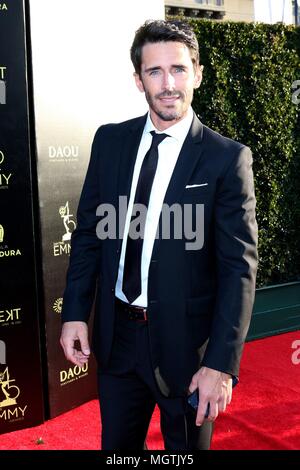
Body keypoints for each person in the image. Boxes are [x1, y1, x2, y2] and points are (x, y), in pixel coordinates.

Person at [60, 19, 258, 450]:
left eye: (179, 69)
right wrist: (75, 312)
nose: (168, 84)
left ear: (198, 74)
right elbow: (90, 234)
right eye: (155, 71)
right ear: (138, 80)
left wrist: (221, 365)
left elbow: (238, 270)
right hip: (117, 342)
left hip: (188, 354)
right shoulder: (110, 142)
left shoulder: (226, 160)